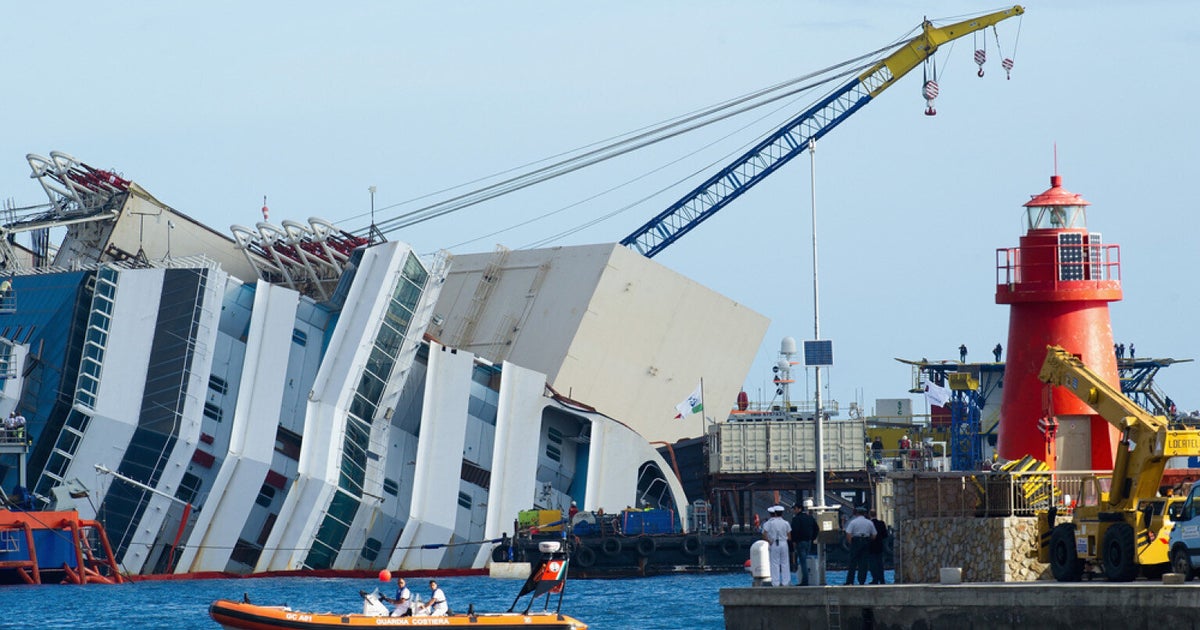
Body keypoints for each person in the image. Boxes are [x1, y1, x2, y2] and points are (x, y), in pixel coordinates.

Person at [843, 506, 876, 585]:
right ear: (864, 513)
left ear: (856, 513)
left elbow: (848, 533)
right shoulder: (869, 522)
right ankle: (862, 581)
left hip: (856, 541)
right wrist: (868, 541)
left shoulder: (853, 522)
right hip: (866, 541)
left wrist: (851, 542)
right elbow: (874, 535)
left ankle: (850, 581)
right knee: (863, 563)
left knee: (852, 562)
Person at [760, 505, 791, 586]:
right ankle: (786, 582)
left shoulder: (770, 523)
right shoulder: (786, 523)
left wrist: (769, 541)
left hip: (774, 543)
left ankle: (775, 583)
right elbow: (789, 535)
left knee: (774, 563)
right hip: (784, 543)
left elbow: (764, 534)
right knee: (785, 563)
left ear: (775, 513)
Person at [790, 500, 818, 586]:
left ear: (799, 509)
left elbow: (795, 531)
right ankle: (807, 579)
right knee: (805, 559)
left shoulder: (796, 519)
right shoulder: (810, 518)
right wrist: (812, 538)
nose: (793, 510)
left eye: (794, 508)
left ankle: (804, 581)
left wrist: (794, 541)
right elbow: (816, 528)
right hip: (808, 542)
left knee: (803, 562)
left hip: (800, 542)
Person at [867, 510, 888, 584]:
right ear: (876, 514)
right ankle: (882, 579)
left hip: (871, 546)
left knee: (872, 564)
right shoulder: (881, 523)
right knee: (880, 564)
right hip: (880, 545)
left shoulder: (869, 524)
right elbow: (885, 535)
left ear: (870, 515)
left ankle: (875, 579)